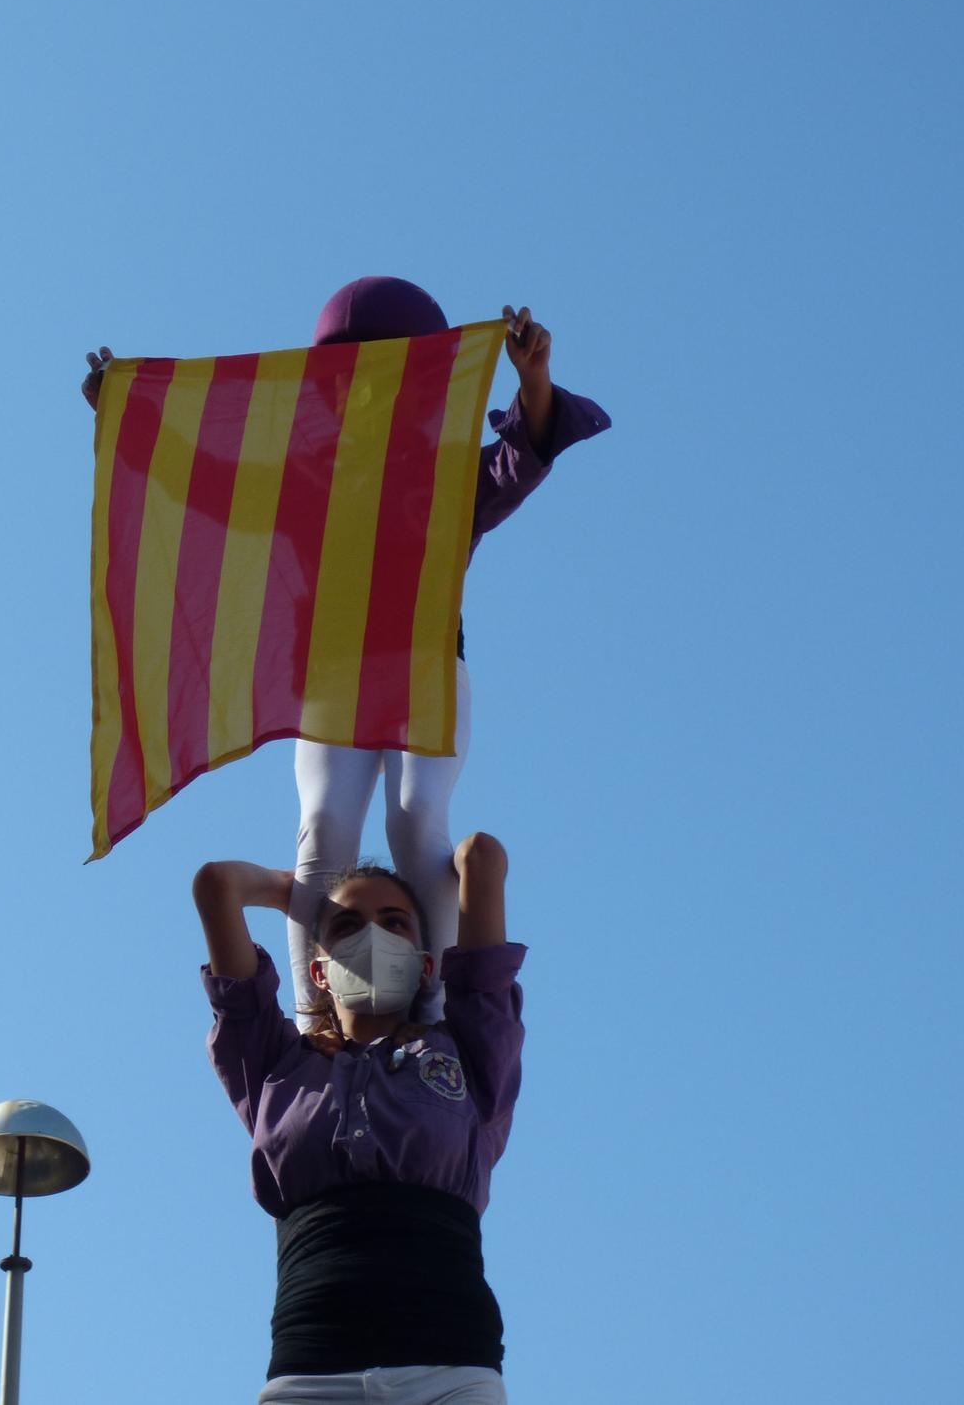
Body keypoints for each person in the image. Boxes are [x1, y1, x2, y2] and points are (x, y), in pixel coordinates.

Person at [84, 278, 607, 1029]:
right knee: (325, 828)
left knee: (415, 820)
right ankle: (313, 1022)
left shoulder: (447, 476)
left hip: (423, 666)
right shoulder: (308, 475)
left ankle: (433, 1019)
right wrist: (133, 419)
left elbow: (521, 458)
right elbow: (216, 488)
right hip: (331, 676)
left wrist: (533, 380)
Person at [192, 833, 523, 1404]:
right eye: (347, 926)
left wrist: (431, 845)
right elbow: (217, 885)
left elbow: (482, 858)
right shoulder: (274, 1065)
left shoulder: (465, 1051)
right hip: (313, 1371)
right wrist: (288, 894)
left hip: (450, 1368)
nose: (373, 936)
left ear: (426, 967)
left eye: (395, 922)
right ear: (319, 972)